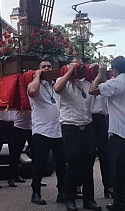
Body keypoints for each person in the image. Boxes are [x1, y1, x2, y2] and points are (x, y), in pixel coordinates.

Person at [54, 56, 101, 211]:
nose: (79, 68)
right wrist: (70, 71)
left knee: (88, 165)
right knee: (72, 164)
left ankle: (89, 200)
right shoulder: (63, 80)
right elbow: (57, 89)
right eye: (76, 65)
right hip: (70, 128)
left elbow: (98, 87)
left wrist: (97, 71)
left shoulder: (87, 82)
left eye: (81, 65)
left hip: (87, 127)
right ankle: (69, 199)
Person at [89, 57, 125, 211]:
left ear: (114, 70)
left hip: (119, 133)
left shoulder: (117, 82)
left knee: (118, 170)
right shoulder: (116, 83)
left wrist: (99, 74)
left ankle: (119, 203)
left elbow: (92, 90)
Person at [27, 61, 66, 205]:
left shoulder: (55, 85)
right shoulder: (34, 84)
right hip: (41, 131)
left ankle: (62, 192)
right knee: (39, 163)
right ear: (38, 69)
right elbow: (32, 92)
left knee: (62, 163)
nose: (47, 69)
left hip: (58, 130)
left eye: (49, 67)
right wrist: (37, 76)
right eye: (43, 67)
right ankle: (35, 193)